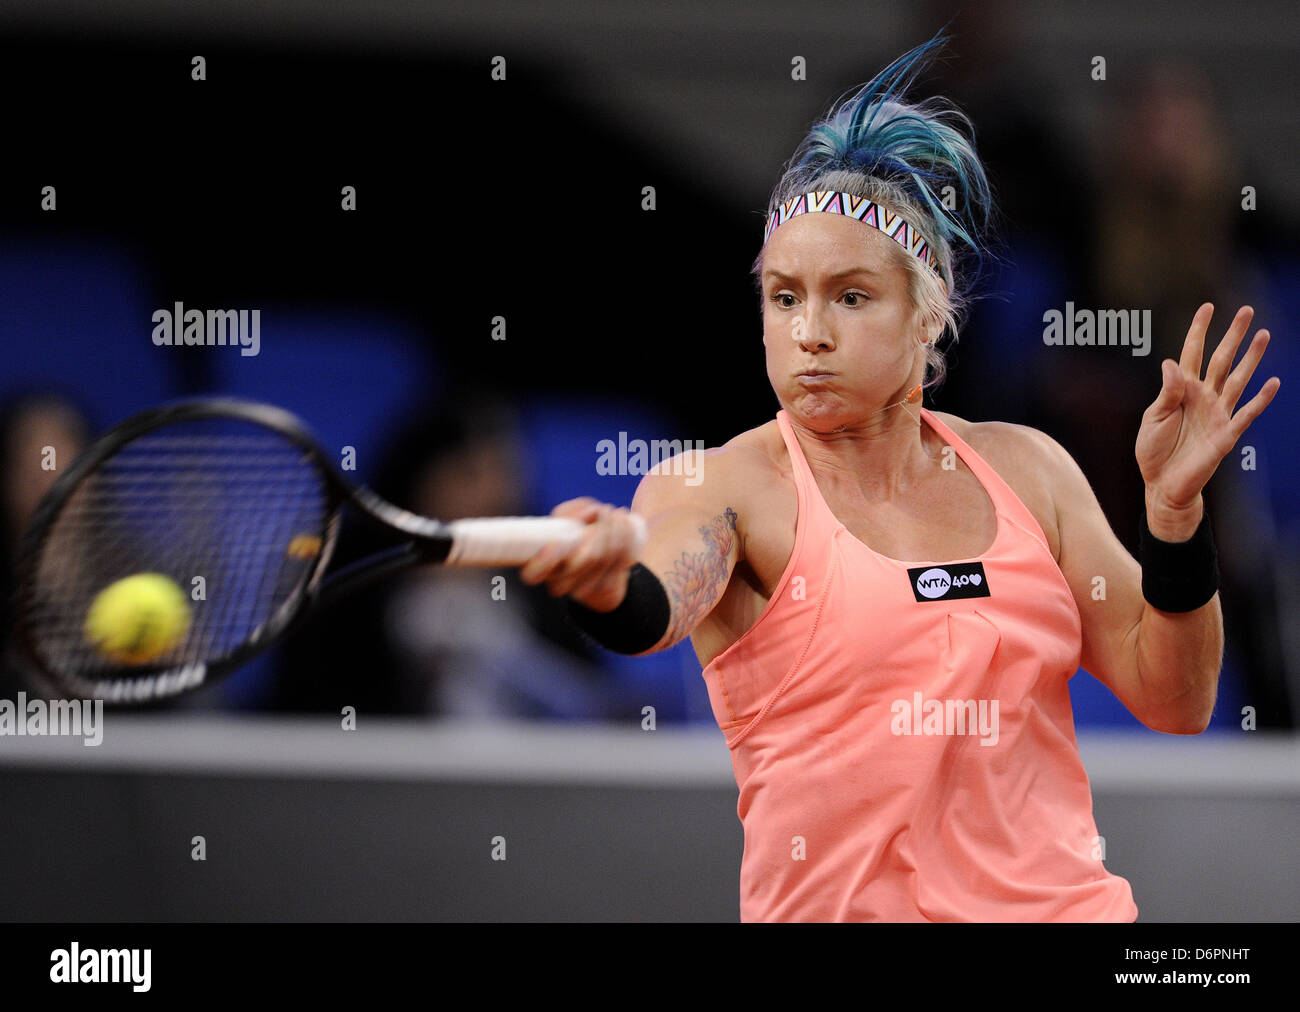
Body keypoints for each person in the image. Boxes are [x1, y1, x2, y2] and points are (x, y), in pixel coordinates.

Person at [519, 33, 1280, 922]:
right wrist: (605, 583)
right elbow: (649, 608)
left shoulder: (1029, 472)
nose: (809, 330)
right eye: (783, 296)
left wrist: (1175, 516)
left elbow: (1177, 698)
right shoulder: (720, 488)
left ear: (927, 318)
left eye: (850, 296)